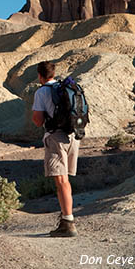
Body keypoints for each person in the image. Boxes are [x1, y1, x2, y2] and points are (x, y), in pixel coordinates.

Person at [31, 61, 80, 237]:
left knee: (61, 182)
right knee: (65, 181)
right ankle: (66, 218)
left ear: (40, 76)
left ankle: (68, 223)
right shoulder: (65, 88)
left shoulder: (42, 91)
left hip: (56, 138)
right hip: (73, 137)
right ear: (53, 73)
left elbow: (37, 120)